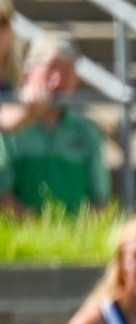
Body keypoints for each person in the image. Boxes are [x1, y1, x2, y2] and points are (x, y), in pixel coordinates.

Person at [0, 33, 109, 217]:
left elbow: (100, 201)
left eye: (67, 70)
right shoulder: (7, 129)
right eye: (50, 68)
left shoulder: (87, 132)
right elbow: (3, 198)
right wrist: (40, 232)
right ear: (27, 73)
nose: (58, 80)